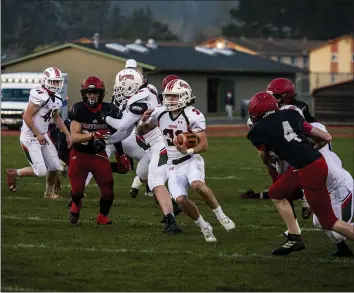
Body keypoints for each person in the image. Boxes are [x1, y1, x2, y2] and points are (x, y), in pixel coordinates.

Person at [247, 91, 354, 255]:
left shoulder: (258, 129)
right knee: (276, 192)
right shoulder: (292, 115)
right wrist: (304, 151)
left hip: (310, 170)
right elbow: (326, 137)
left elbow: (264, 156)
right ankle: (295, 237)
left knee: (329, 222)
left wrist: (275, 158)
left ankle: (296, 236)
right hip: (312, 163)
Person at [137, 79, 236, 242]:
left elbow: (204, 145)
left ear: (184, 96)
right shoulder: (159, 113)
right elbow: (141, 131)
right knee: (181, 200)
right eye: (168, 96)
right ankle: (204, 226)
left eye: (175, 96)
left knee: (197, 184)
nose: (170, 100)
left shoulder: (193, 115)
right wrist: (142, 121)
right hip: (172, 165)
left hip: (191, 159)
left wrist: (187, 149)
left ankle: (221, 215)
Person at [102, 68, 183, 234]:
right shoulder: (146, 93)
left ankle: (171, 221)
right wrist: (108, 140)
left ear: (132, 87)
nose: (119, 91)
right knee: (142, 174)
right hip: (154, 147)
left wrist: (105, 118)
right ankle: (173, 205)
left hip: (163, 145)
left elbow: (122, 125)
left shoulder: (141, 98)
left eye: (122, 87)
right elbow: (125, 131)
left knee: (155, 181)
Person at [6, 67, 71, 199]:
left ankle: (49, 192)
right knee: (41, 171)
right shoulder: (39, 94)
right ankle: (14, 173)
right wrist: (38, 134)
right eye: (53, 82)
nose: (56, 85)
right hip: (30, 136)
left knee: (55, 166)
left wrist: (68, 134)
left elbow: (57, 117)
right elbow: (26, 116)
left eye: (58, 82)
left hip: (43, 135)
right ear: (46, 81)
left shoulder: (57, 98)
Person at [68, 76, 120, 225]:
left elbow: (118, 134)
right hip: (79, 154)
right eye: (89, 93)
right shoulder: (78, 110)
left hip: (99, 154)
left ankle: (102, 216)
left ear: (101, 94)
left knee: (108, 192)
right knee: (77, 191)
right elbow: (74, 137)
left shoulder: (110, 110)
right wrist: (92, 135)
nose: (92, 96)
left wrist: (121, 154)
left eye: (95, 93)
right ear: (84, 94)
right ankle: (76, 203)